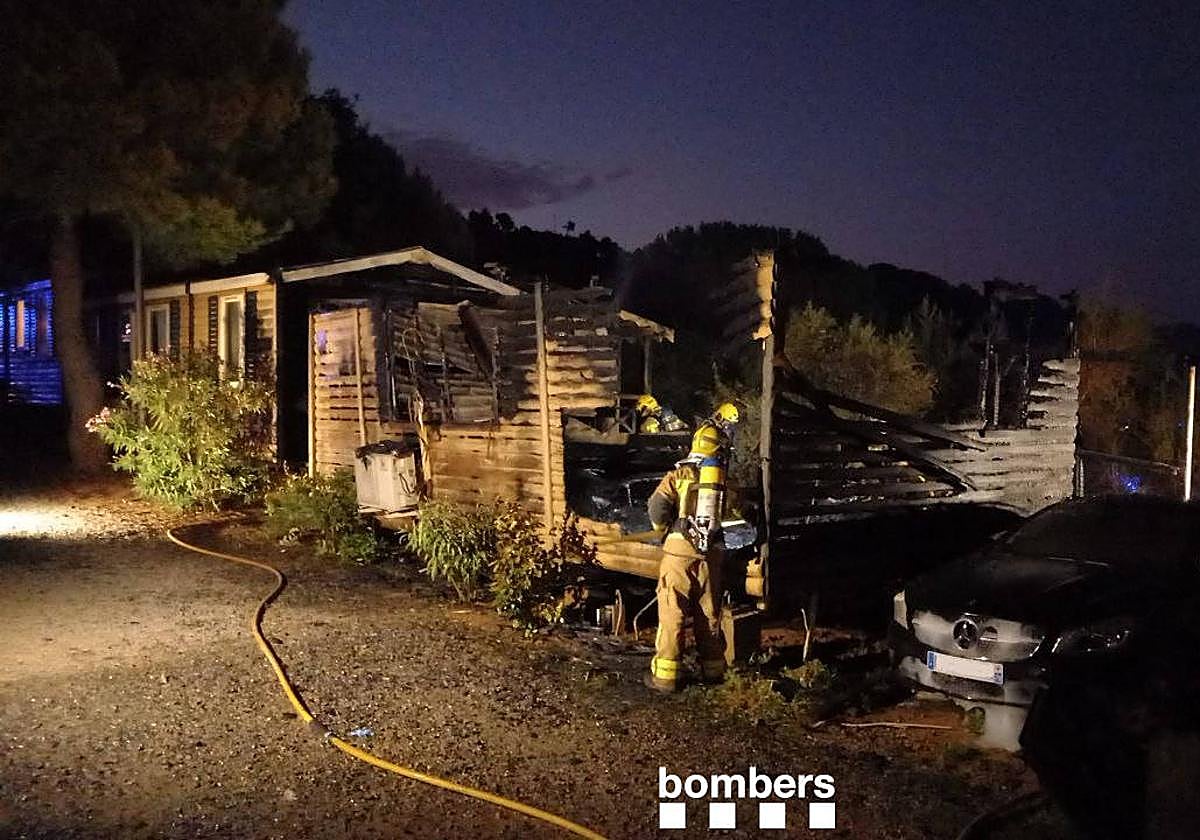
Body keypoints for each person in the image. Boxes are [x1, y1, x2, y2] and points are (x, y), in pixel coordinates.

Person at [644, 402, 741, 692]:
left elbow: (657, 507)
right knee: (708, 614)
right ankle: (713, 672)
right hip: (711, 554)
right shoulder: (723, 483)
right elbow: (736, 511)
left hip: (678, 552)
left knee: (672, 612)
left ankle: (665, 678)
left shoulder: (679, 475)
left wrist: (663, 529)